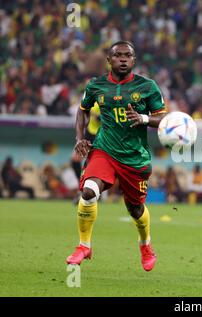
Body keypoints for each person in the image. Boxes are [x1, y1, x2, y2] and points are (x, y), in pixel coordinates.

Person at [66, 41, 167, 272]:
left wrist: (143, 118)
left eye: (128, 55)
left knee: (135, 209)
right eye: (118, 55)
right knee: (89, 191)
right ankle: (84, 245)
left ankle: (145, 245)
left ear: (134, 60)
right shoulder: (95, 86)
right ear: (109, 60)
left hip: (135, 157)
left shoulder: (148, 86)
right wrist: (79, 138)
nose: (123, 59)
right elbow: (82, 110)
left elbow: (163, 118)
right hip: (105, 150)